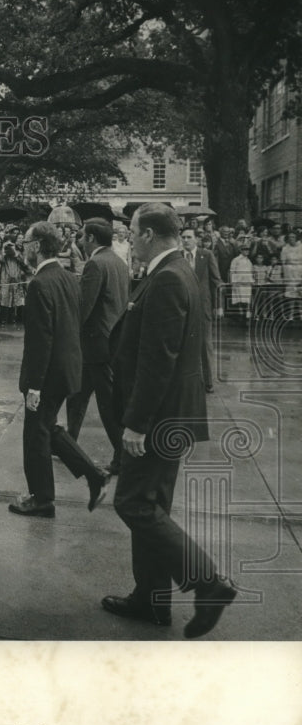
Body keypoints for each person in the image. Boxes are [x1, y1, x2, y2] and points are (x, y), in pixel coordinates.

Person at [103, 202, 238, 638]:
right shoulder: (178, 271)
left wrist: (137, 422)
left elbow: (157, 360)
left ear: (147, 235)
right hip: (173, 412)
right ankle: (151, 599)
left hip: (160, 416)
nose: (127, 238)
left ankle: (208, 582)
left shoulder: (166, 278)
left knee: (134, 504)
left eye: (131, 231)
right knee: (151, 504)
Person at [9, 220, 110, 518]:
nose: (23, 247)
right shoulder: (68, 277)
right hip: (67, 369)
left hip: (48, 374)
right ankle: (93, 475)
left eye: (26, 241)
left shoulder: (41, 283)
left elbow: (41, 340)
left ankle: (42, 499)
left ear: (37, 246)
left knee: (35, 435)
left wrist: (34, 386)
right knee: (48, 428)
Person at [65, 219, 130, 475]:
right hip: (109, 340)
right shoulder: (118, 261)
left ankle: (122, 456)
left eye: (82, 236)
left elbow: (84, 307)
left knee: (106, 404)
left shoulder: (95, 263)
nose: (80, 240)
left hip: (96, 344)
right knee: (76, 396)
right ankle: (68, 443)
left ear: (91, 238)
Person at [181, 228, 221, 392]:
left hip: (203, 306)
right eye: (183, 237)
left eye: (189, 237)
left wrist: (218, 306)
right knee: (183, 343)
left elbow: (216, 281)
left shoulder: (207, 255)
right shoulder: (177, 257)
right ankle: (184, 381)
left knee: (205, 344)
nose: (186, 240)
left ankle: (208, 381)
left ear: (196, 239)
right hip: (183, 306)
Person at [229, 243, 253, 321]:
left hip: (247, 283)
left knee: (247, 299)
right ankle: (241, 315)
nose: (247, 251)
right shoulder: (236, 260)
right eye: (245, 249)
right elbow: (232, 271)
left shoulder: (249, 261)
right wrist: (233, 282)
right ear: (241, 250)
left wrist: (251, 280)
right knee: (239, 299)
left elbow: (250, 272)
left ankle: (247, 316)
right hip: (239, 283)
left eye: (248, 250)